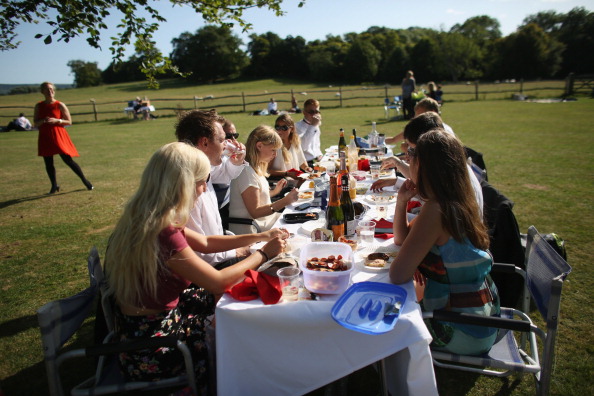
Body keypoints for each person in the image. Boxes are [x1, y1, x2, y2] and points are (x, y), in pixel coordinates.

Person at [104, 142, 287, 394]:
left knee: (238, 303)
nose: (204, 189)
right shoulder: (162, 230)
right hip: (153, 344)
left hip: (138, 329)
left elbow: (206, 242)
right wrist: (265, 253)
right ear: (180, 183)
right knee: (240, 315)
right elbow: (217, 281)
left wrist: (259, 237)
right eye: (201, 181)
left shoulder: (149, 215)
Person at [389, 130, 500, 355]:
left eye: (412, 158)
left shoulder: (435, 211)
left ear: (425, 167)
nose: (409, 164)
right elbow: (402, 240)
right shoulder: (456, 199)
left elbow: (398, 274)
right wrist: (402, 202)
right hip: (481, 319)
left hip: (458, 328)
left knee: (386, 326)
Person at [175, 110, 250, 268]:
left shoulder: (201, 169)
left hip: (218, 254)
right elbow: (200, 253)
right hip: (210, 268)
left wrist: (236, 162)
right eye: (223, 140)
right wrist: (237, 251)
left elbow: (223, 174)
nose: (226, 145)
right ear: (204, 143)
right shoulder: (188, 188)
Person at [371, 112, 483, 216]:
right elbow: (424, 186)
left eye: (411, 150)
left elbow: (428, 201)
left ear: (426, 146)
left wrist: (401, 203)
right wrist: (397, 179)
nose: (408, 156)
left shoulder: (447, 181)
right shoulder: (448, 165)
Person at [229, 125, 299, 234]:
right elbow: (255, 212)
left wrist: (275, 191)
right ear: (260, 146)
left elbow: (257, 197)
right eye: (273, 150)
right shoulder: (246, 171)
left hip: (263, 224)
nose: (275, 155)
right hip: (251, 231)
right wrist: (285, 201)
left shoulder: (255, 167)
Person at [34, 81, 93, 194]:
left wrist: (57, 120)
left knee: (68, 160)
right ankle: (54, 185)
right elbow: (35, 122)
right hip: (45, 135)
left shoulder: (60, 105)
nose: (50, 91)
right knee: (48, 162)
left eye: (52, 89)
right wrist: (43, 120)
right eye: (47, 89)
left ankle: (85, 181)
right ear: (42, 91)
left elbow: (69, 121)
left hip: (58, 134)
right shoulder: (39, 105)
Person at [384, 97, 454, 145]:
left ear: (432, 113)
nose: (416, 121)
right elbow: (394, 139)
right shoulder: (422, 128)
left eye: (420, 117)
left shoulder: (441, 133)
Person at [268, 114, 313, 182]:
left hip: (294, 182)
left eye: (284, 128)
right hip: (278, 183)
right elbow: (268, 170)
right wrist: (287, 173)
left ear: (291, 129)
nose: (280, 130)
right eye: (277, 127)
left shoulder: (295, 142)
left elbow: (301, 162)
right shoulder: (273, 145)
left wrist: (307, 168)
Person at [295, 98, 323, 167]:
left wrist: (319, 154)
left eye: (317, 112)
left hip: (316, 161)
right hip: (304, 164)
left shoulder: (315, 124)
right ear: (304, 112)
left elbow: (316, 145)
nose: (314, 115)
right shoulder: (297, 127)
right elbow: (303, 146)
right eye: (311, 112)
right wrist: (312, 126)